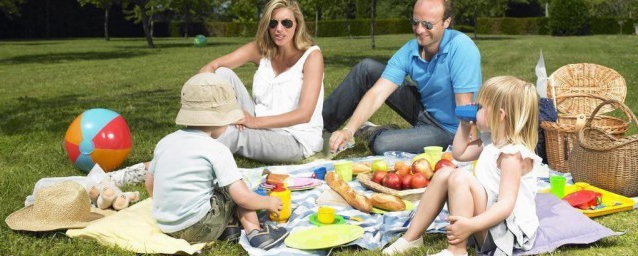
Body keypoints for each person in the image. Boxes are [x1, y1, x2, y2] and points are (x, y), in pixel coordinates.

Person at [382, 76, 542, 256]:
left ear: (500, 116)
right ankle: (411, 237)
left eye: (480, 107)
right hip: (484, 223)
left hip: (503, 233)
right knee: (444, 173)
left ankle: (457, 251)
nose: (475, 109)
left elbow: (505, 205)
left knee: (459, 177)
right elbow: (460, 153)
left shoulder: (512, 157)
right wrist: (465, 127)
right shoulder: (492, 141)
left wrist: (471, 224)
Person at [145, 73, 289, 250]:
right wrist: (267, 202)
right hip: (201, 227)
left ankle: (229, 228)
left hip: (167, 226)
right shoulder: (216, 149)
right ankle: (255, 231)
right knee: (235, 190)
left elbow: (150, 185)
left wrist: (171, 205)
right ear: (222, 120)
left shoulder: (165, 142)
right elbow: (242, 197)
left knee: (213, 187)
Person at [323, 0, 481, 155]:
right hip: (422, 109)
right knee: (367, 68)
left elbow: (465, 107)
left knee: (383, 144)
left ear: (446, 22)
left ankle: (373, 131)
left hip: (447, 129)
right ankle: (318, 129)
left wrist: (469, 148)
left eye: (427, 24)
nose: (419, 30)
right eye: (415, 22)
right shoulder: (410, 50)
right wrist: (348, 130)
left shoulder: (461, 48)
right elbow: (379, 92)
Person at [199, 0, 324, 163]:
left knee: (232, 133)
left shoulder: (312, 57)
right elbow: (211, 67)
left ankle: (185, 163)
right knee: (222, 74)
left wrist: (254, 122)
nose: (279, 29)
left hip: (293, 137)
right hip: (257, 118)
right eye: (273, 23)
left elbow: (304, 114)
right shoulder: (261, 49)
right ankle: (200, 134)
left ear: (297, 25)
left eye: (286, 23)